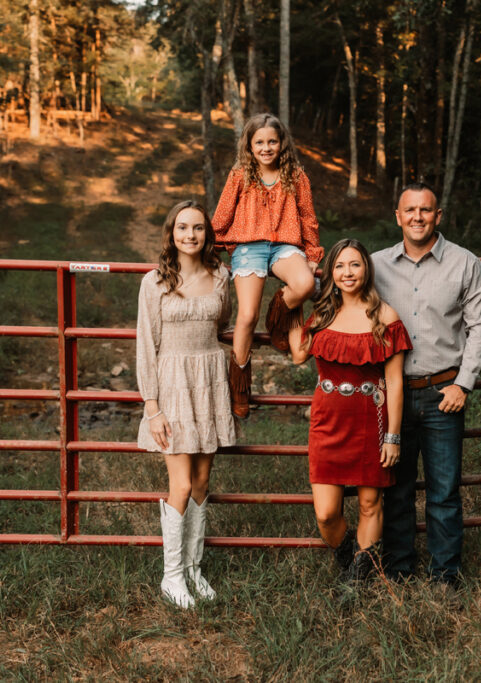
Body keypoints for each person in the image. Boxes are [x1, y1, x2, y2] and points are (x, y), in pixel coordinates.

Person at [373, 182, 481, 587]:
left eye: (426, 210)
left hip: (444, 393)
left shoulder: (465, 263)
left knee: (443, 492)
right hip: (392, 395)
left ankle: (445, 576)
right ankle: (399, 571)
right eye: (410, 210)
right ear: (398, 216)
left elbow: (480, 328)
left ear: (438, 216)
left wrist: (464, 384)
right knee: (397, 490)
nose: (418, 217)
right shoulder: (374, 266)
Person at [288, 238, 412, 581]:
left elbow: (395, 383)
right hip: (327, 421)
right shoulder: (324, 313)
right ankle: (349, 559)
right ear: (331, 273)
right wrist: (292, 303)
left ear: (366, 270)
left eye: (355, 264)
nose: (347, 272)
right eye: (339, 266)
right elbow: (299, 354)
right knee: (327, 513)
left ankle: (358, 580)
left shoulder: (384, 316)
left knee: (371, 505)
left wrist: (393, 437)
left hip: (371, 420)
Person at [136, 200, 236, 609]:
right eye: (182, 228)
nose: (190, 235)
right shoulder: (154, 282)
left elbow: (225, 326)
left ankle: (194, 569)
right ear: (171, 233)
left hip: (209, 382)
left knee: (200, 483)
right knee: (179, 483)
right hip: (172, 383)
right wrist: (152, 407)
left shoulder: (221, 277)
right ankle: (171, 575)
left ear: (207, 235)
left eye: (197, 228)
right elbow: (146, 343)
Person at [212, 112, 324, 418]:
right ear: (249, 146)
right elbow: (222, 215)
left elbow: (308, 217)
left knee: (304, 284)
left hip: (286, 246)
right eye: (259, 142)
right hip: (248, 246)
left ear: (282, 143)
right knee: (247, 315)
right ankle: (240, 387)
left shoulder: (296, 176)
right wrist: (212, 250)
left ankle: (278, 320)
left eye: (272, 141)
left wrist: (312, 256)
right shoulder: (239, 176)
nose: (266, 147)